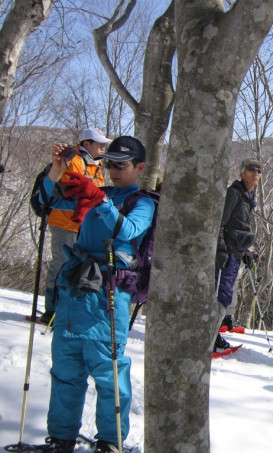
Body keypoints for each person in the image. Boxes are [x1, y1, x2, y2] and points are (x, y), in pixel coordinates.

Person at [39, 136, 154, 453]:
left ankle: (110, 441)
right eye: (110, 164)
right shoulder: (97, 193)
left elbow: (129, 230)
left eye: (122, 165)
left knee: (109, 372)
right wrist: (56, 169)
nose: (114, 170)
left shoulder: (142, 202)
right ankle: (61, 437)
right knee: (66, 367)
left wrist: (97, 200)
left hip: (108, 295)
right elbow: (46, 203)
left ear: (139, 167)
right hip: (75, 292)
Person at [40, 127, 110, 326]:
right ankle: (51, 309)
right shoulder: (75, 160)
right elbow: (72, 191)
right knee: (61, 263)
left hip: (82, 225)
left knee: (74, 266)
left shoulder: (96, 166)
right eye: (100, 144)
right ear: (86, 144)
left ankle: (65, 307)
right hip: (64, 221)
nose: (103, 148)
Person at [214, 158, 261, 352]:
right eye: (251, 170)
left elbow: (242, 228)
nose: (255, 173)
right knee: (220, 295)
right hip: (226, 253)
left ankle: (213, 334)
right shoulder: (234, 193)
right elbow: (221, 223)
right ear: (242, 173)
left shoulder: (248, 198)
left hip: (236, 252)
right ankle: (210, 337)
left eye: (258, 171)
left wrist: (246, 252)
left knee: (225, 296)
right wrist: (221, 248)